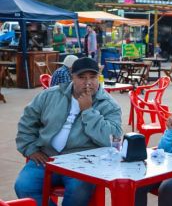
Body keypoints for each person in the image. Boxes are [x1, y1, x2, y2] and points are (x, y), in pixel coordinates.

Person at [14, 57, 122, 206]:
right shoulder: (50, 95)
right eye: (82, 77)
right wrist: (30, 148)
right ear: (72, 77)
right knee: (23, 186)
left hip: (83, 162)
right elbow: (27, 121)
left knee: (79, 190)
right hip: (47, 157)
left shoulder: (108, 104)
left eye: (92, 77)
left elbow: (113, 139)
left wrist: (89, 112)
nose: (88, 82)